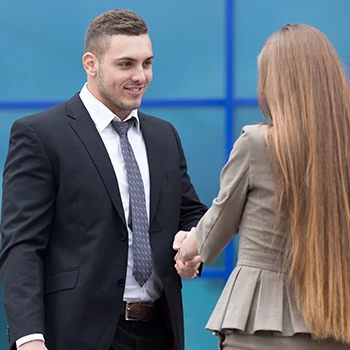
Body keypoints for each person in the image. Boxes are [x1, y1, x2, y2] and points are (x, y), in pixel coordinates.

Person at [0, 9, 206, 350]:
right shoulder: (40, 135)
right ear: (91, 64)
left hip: (161, 331)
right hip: (75, 335)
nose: (140, 76)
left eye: (147, 63)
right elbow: (22, 247)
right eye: (126, 64)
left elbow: (191, 213)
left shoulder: (164, 136)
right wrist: (28, 338)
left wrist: (193, 248)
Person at [173, 24, 350, 349]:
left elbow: (218, 223)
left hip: (259, 323)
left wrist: (187, 249)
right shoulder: (341, 153)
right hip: (336, 317)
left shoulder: (257, 143)